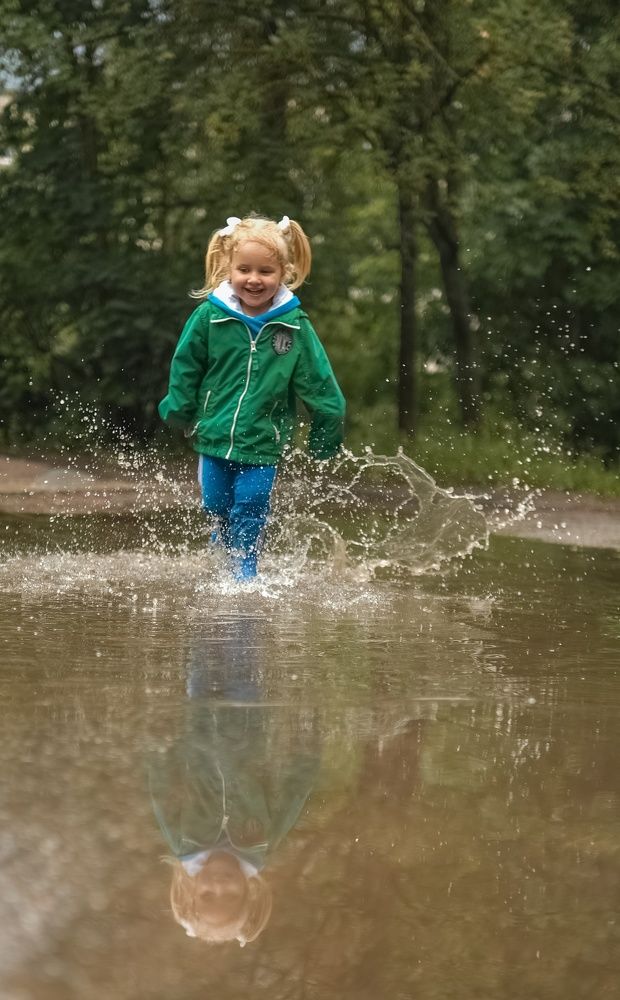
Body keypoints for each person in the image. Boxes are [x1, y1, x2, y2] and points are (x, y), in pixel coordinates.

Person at [158, 213, 346, 579]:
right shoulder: (209, 317)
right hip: (213, 434)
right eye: (245, 269)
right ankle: (223, 545)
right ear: (228, 268)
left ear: (284, 274)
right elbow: (186, 366)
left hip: (264, 440)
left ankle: (245, 566)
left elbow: (321, 384)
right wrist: (179, 410)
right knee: (217, 504)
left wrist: (326, 435)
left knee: (251, 505)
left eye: (265, 272)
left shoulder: (294, 328)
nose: (254, 280)